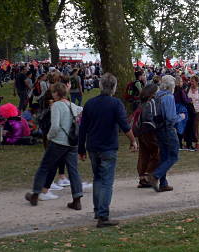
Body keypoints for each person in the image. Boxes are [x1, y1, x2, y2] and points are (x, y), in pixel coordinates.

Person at [78, 73, 137, 227]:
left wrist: (81, 149)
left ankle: (98, 210)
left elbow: (82, 128)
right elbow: (125, 125)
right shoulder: (116, 104)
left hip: (93, 146)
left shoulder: (90, 103)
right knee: (106, 181)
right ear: (114, 87)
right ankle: (103, 216)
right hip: (108, 147)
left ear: (100, 85)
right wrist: (133, 140)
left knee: (97, 178)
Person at [25, 83, 84, 210]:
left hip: (59, 142)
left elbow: (55, 126)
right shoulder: (72, 105)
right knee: (73, 170)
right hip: (72, 142)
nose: (52, 94)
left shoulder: (56, 105)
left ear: (57, 93)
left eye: (53, 92)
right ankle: (77, 198)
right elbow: (82, 110)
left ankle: (35, 194)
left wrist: (49, 137)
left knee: (44, 167)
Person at [148, 75, 180, 192]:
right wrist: (180, 117)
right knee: (173, 155)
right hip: (168, 129)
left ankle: (163, 182)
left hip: (158, 128)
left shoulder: (157, 95)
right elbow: (171, 118)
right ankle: (156, 175)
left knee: (164, 156)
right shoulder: (169, 97)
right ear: (171, 86)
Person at [132, 84, 160, 188]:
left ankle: (142, 177)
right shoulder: (151, 102)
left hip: (141, 132)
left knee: (144, 155)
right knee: (157, 152)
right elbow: (151, 118)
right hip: (149, 131)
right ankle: (148, 175)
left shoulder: (141, 103)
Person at [184, 76, 199, 151]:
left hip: (196, 111)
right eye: (190, 81)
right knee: (187, 127)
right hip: (188, 111)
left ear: (196, 82)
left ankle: (196, 143)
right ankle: (187, 143)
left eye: (192, 81)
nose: (191, 83)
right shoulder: (187, 89)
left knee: (195, 127)